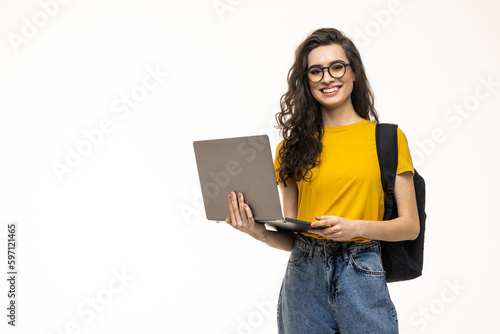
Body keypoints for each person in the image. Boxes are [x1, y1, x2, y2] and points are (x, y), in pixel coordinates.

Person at [225, 27, 419, 334]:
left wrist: (355, 227)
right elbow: (291, 234)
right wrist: (256, 231)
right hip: (304, 277)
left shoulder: (388, 139)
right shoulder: (291, 148)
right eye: (316, 71)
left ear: (353, 72)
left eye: (336, 67)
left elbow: (410, 226)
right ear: (306, 81)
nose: (327, 78)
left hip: (362, 270)